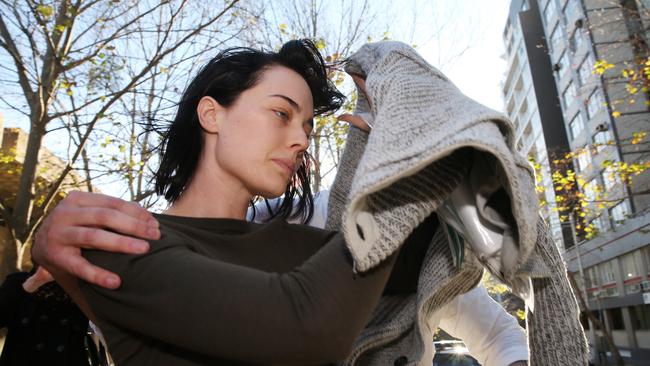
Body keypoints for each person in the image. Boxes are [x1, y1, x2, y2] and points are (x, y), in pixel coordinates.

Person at [33, 39, 440, 366]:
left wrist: (408, 135)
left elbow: (414, 261)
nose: (301, 140)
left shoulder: (290, 244)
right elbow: (306, 326)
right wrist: (393, 164)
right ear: (211, 115)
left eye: (307, 128)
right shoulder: (120, 240)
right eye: (282, 113)